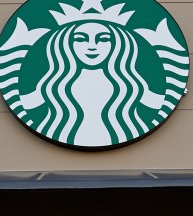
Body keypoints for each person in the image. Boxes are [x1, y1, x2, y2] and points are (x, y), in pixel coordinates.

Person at [19, 20, 169, 147]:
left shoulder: (132, 84)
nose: (92, 46)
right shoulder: (52, 85)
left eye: (103, 39)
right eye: (80, 39)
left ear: (117, 45)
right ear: (66, 45)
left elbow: (160, 103)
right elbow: (24, 104)